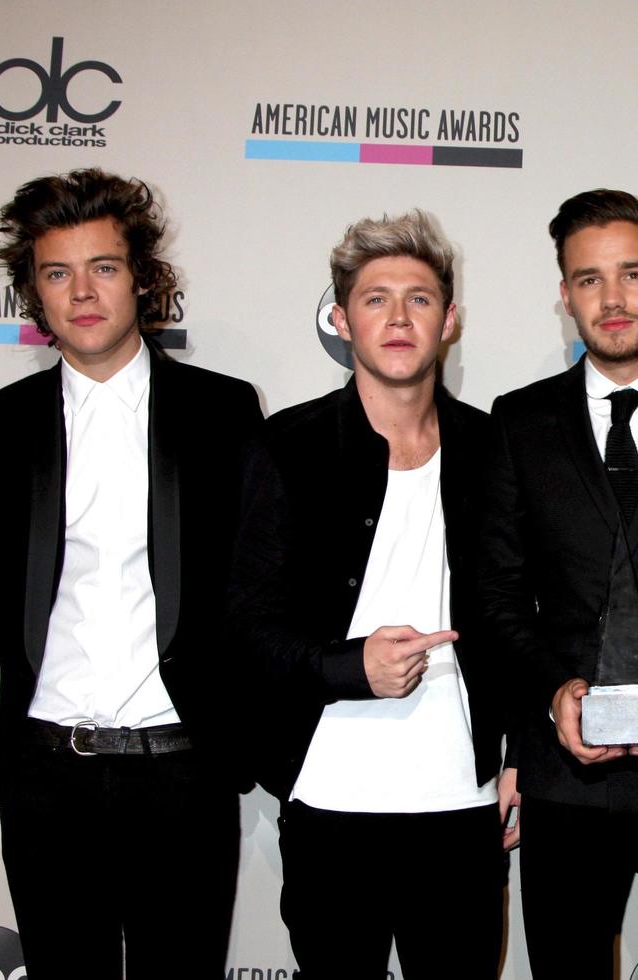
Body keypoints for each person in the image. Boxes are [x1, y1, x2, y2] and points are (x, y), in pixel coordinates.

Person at [0, 168, 262, 979]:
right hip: (47, 782)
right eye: (57, 272)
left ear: (142, 280)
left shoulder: (223, 413)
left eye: (104, 267)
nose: (82, 292)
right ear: (35, 291)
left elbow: (246, 587)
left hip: (184, 775)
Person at [228, 211, 505, 979]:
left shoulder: (492, 449)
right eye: (375, 298)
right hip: (332, 802)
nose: (397, 317)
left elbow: (525, 616)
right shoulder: (288, 446)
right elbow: (246, 624)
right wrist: (352, 669)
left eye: (418, 298)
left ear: (449, 320)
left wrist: (524, 755)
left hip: (463, 803)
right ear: (342, 318)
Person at [480, 189, 638, 978]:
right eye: (589, 280)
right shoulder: (518, 422)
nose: (613, 298)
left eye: (632, 274)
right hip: (565, 782)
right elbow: (497, 597)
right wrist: (552, 691)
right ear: (564, 295)